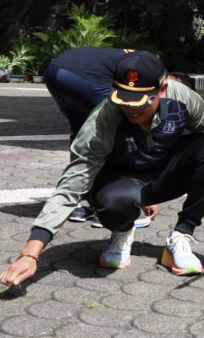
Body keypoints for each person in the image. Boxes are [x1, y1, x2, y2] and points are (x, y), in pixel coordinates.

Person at [0, 50, 204, 286]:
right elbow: (71, 184)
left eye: (141, 102)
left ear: (162, 89)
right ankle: (122, 232)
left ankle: (181, 236)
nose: (131, 108)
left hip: (164, 177)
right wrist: (31, 253)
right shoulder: (104, 116)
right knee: (112, 201)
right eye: (125, 100)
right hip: (123, 183)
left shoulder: (182, 97)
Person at [44, 46, 153, 227]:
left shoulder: (124, 55)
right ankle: (104, 207)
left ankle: (75, 204)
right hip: (85, 78)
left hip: (55, 72)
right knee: (112, 128)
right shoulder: (144, 64)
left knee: (82, 133)